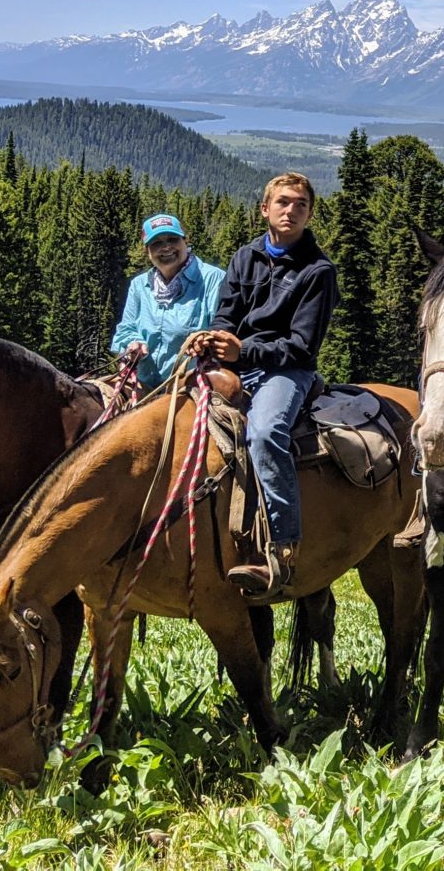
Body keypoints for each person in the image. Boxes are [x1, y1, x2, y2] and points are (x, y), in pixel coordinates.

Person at [194, 172, 340, 595]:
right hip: (238, 360)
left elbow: (301, 347)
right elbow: (227, 312)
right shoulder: (246, 256)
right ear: (265, 209)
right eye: (282, 202)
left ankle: (282, 547)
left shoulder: (318, 271)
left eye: (300, 204)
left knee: (264, 432)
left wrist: (244, 354)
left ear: (310, 213)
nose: (290, 210)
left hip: (285, 370)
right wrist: (215, 338)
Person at [109, 213, 227, 392]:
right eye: (157, 243)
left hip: (191, 386)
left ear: (185, 242)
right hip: (143, 384)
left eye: (173, 239)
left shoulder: (212, 279)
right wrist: (134, 343)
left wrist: (204, 341)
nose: (166, 248)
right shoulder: (140, 285)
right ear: (147, 251)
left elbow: (222, 330)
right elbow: (127, 329)